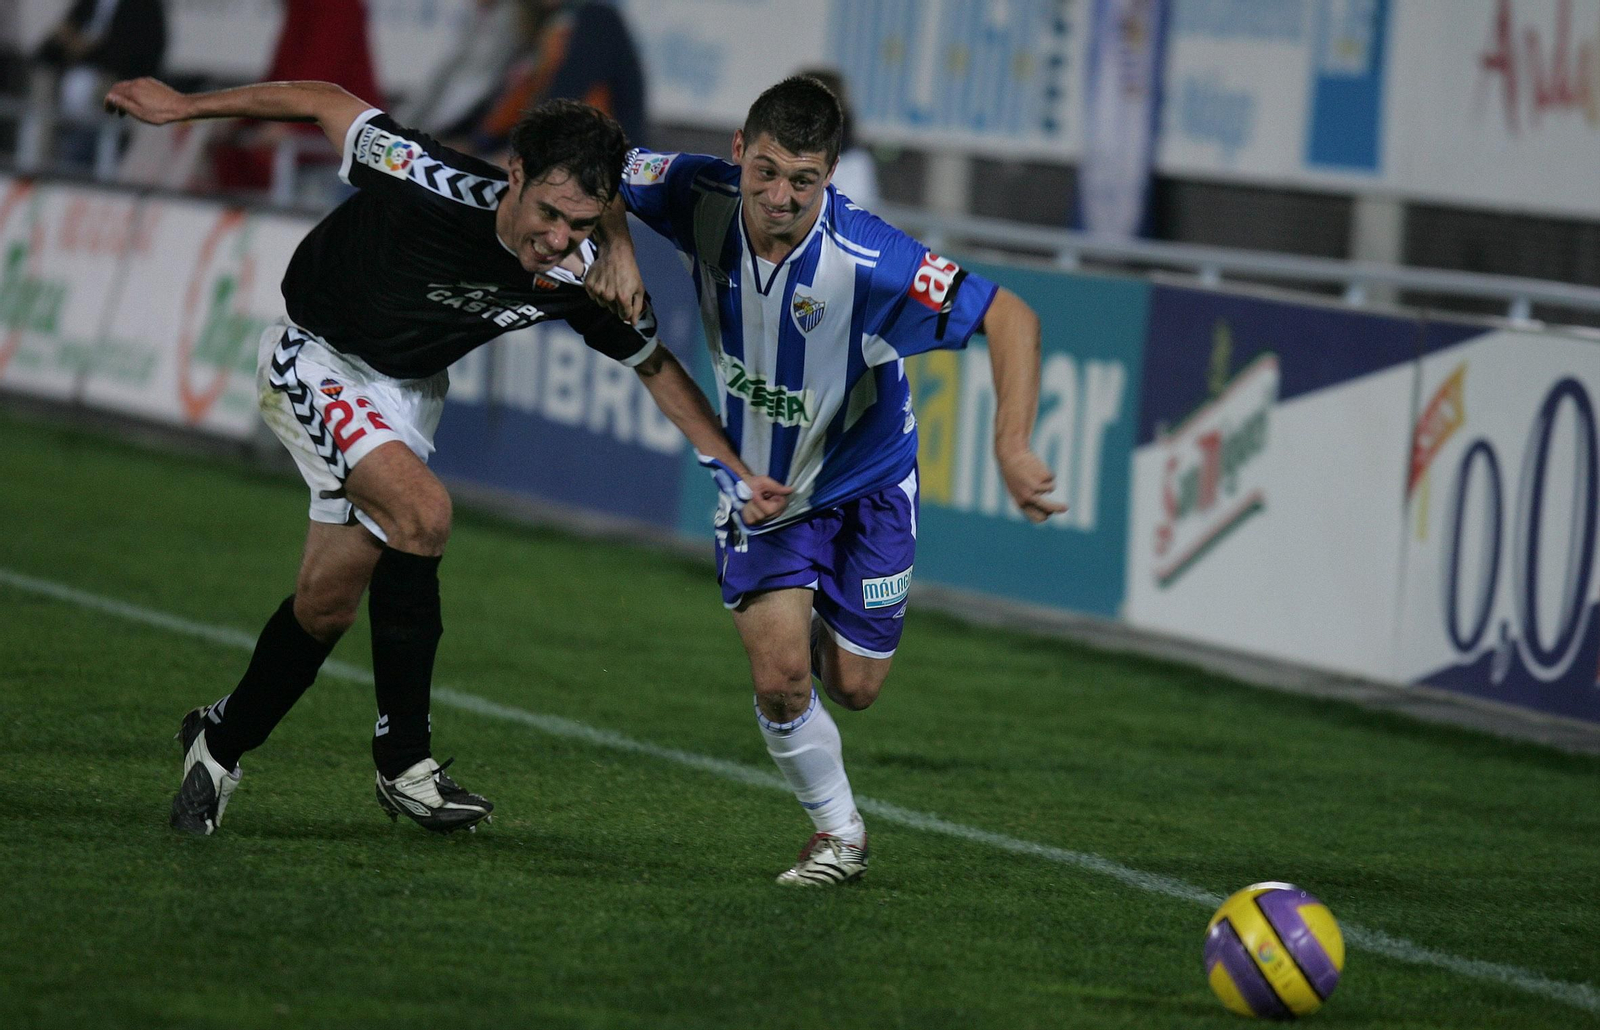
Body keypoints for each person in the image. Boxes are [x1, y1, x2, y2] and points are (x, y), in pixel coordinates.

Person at [102, 75, 789, 836]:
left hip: (407, 394)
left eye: (583, 223)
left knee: (326, 607)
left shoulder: (581, 267)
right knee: (424, 513)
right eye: (550, 214)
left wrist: (734, 471)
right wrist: (185, 109)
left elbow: (657, 368)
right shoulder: (428, 178)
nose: (559, 238)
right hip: (317, 354)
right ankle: (404, 765)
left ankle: (217, 742)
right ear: (515, 175)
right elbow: (327, 99)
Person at [587, 77, 1065, 884]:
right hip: (765, 486)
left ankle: (797, 625)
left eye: (803, 181)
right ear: (738, 150)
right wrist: (617, 245)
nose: (780, 197)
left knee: (856, 686)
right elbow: (597, 156)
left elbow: (1011, 316)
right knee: (779, 677)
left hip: (872, 480)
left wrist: (1011, 444)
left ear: (831, 174)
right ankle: (839, 833)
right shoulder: (689, 190)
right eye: (766, 171)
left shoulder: (874, 260)